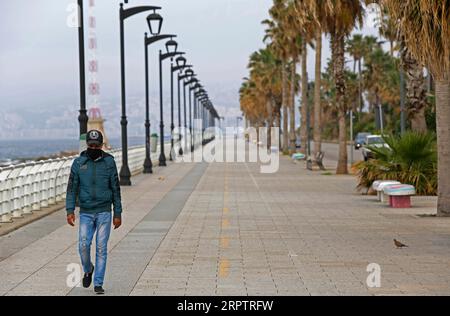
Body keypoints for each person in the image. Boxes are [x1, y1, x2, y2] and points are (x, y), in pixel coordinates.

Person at [66, 130, 122, 295]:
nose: (93, 147)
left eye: (96, 145)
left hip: (105, 211)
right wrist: (70, 210)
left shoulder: (109, 162)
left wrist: (118, 213)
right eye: (91, 145)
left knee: (101, 248)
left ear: (101, 145)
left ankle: (98, 283)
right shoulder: (78, 163)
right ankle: (88, 268)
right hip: (86, 212)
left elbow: (116, 189)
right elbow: (71, 189)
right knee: (83, 245)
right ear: (87, 145)